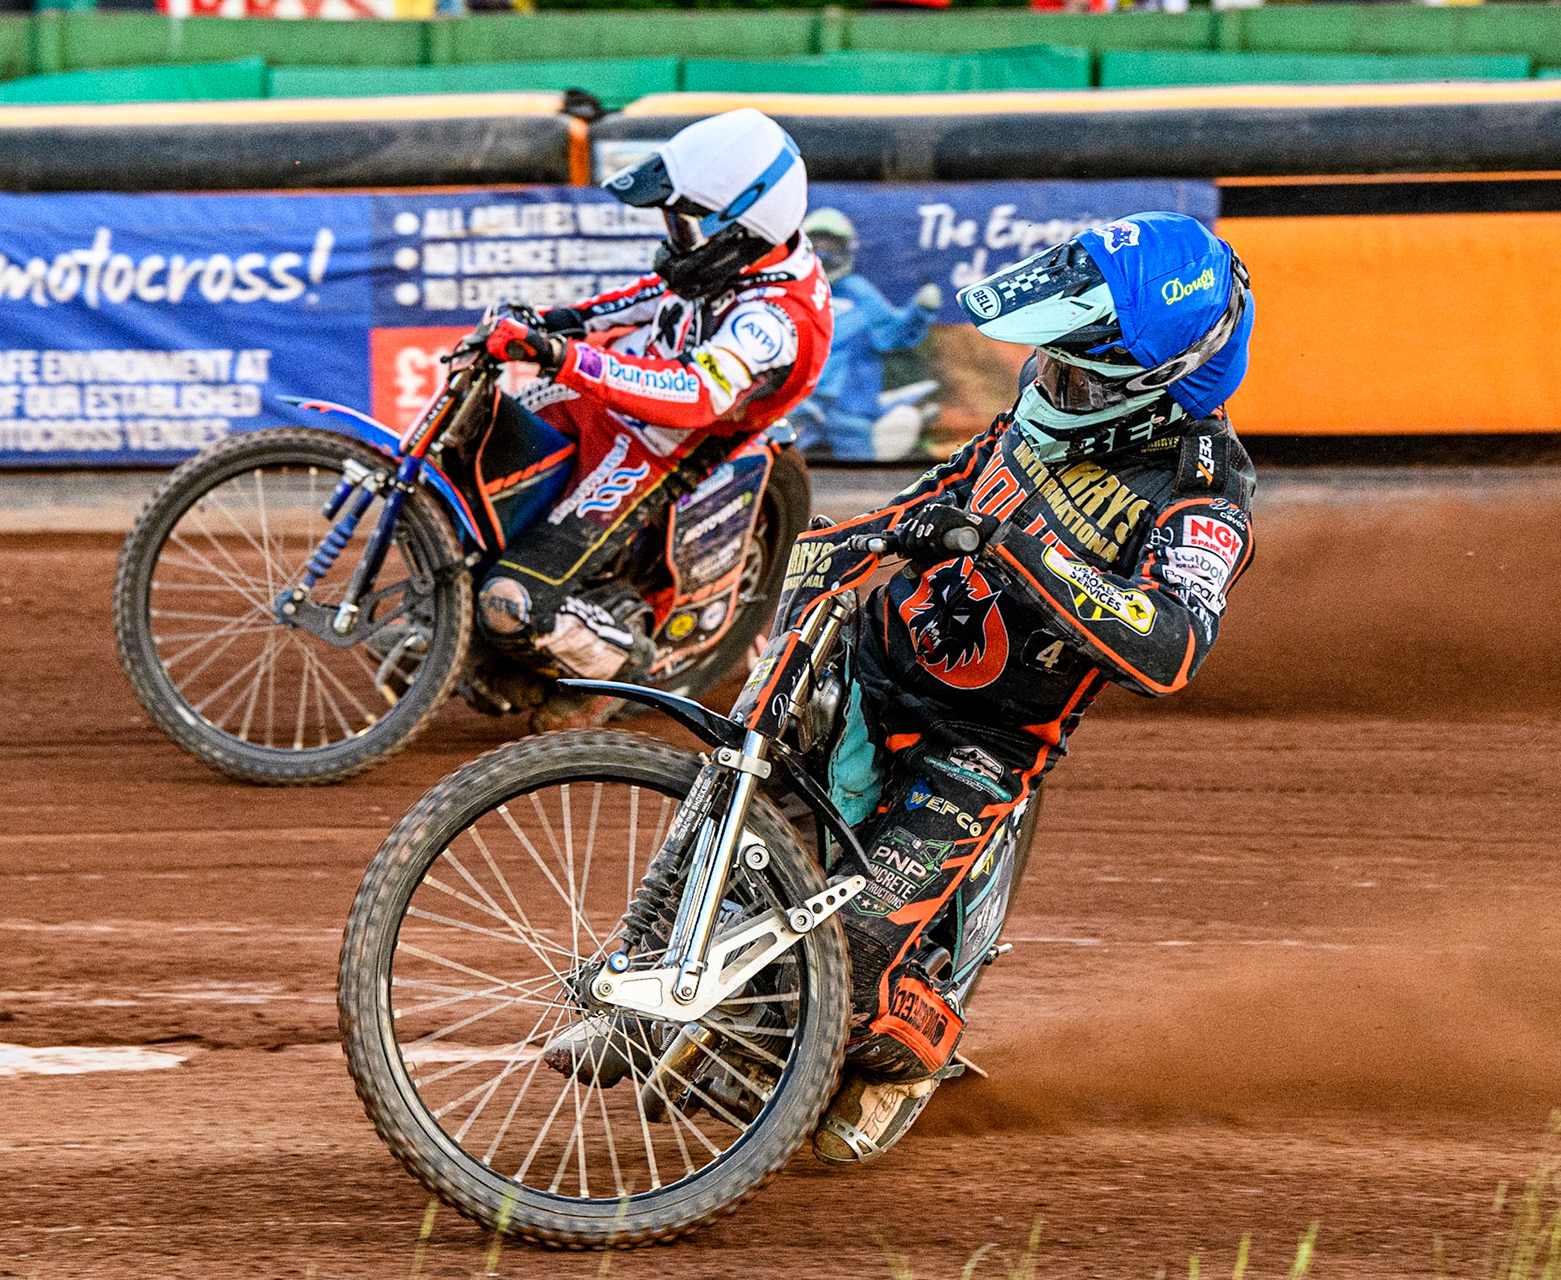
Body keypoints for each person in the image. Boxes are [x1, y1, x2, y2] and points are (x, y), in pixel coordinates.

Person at [805, 211, 1257, 1163]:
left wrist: (1035, 555)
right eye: (1053, 360)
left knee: (842, 960)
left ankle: (916, 1044)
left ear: (1157, 387)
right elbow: (956, 481)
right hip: (878, 657)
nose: (1052, 381)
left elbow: (1174, 643)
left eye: (1079, 370)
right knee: (745, 770)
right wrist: (847, 542)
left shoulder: (1202, 488)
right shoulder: (1044, 406)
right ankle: (652, 953)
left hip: (986, 742)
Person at [468, 108, 834, 732]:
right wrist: (555, 323)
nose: (674, 235)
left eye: (685, 221)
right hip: (609, 404)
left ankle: (619, 667)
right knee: (477, 455)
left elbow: (689, 397)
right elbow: (648, 297)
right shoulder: (740, 259)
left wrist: (568, 357)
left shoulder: (773, 324)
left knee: (511, 602)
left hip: (661, 448)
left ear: (740, 223)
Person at [798, 206, 944, 462]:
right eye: (816, 244)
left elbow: (896, 334)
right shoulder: (794, 290)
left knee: (864, 476)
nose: (823, 253)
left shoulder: (859, 293)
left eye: (830, 246)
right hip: (799, 406)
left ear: (845, 250)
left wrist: (920, 311)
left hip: (850, 412)